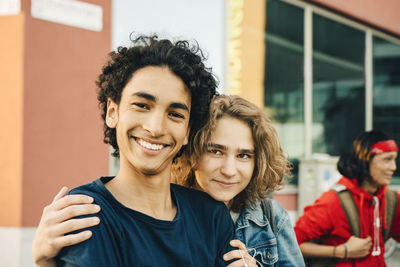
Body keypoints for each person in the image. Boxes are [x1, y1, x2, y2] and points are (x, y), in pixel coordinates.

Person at [34, 35, 236, 267]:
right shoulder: (85, 212)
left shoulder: (211, 217)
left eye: (175, 114)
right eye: (142, 105)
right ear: (112, 111)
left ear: (187, 132)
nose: (155, 128)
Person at [33, 94, 305, 266]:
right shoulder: (158, 211)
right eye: (216, 150)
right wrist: (43, 259)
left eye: (245, 155)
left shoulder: (269, 216)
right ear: (192, 149)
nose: (230, 169)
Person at [294, 130, 400, 266]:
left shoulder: (391, 200)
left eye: (394, 159)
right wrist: (341, 251)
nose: (393, 167)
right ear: (365, 160)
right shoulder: (333, 201)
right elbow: (293, 243)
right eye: (387, 160)